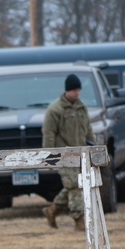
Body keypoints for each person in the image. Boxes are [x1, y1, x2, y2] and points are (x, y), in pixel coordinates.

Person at [42, 73, 95, 232]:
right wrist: (49, 156)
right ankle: (79, 221)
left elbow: (88, 130)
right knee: (74, 186)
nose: (77, 93)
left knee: (74, 185)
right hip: (64, 155)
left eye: (78, 90)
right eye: (74, 90)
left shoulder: (81, 107)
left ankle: (52, 210)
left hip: (81, 155)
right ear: (67, 90)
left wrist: (93, 148)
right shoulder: (55, 109)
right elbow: (49, 133)